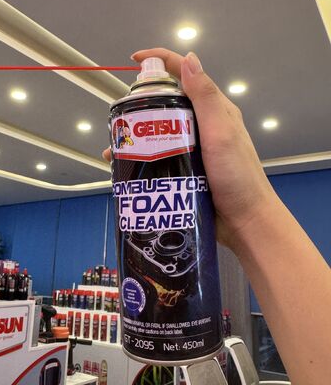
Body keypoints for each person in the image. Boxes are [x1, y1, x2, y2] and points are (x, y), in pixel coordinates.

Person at [103, 48, 331, 384]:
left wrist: (249, 209)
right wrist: (250, 215)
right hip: (142, 327)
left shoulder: (181, 110)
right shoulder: (126, 116)